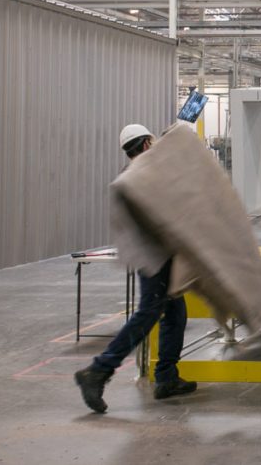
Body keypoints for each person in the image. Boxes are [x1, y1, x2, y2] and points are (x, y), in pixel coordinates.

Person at [73, 124, 197, 414]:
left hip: (160, 257)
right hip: (154, 261)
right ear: (144, 146)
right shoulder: (140, 178)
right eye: (152, 143)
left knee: (175, 315)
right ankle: (98, 371)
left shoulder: (137, 176)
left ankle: (166, 378)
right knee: (147, 315)